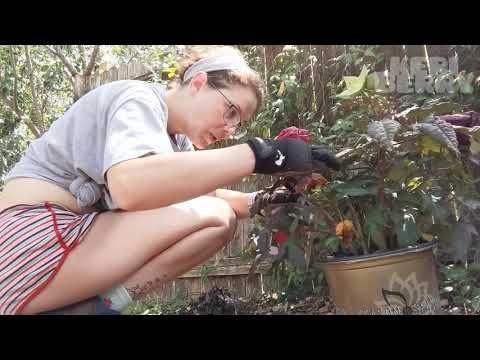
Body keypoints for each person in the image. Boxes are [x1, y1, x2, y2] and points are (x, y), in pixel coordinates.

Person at [0, 46, 340, 315]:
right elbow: (132, 188)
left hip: (60, 247)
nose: (231, 129)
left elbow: (205, 196)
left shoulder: (174, 143)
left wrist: (270, 198)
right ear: (199, 83)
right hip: (32, 241)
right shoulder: (137, 99)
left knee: (217, 220)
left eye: (240, 124)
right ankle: (97, 308)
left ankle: (97, 308)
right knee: (214, 218)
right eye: (231, 111)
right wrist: (262, 154)